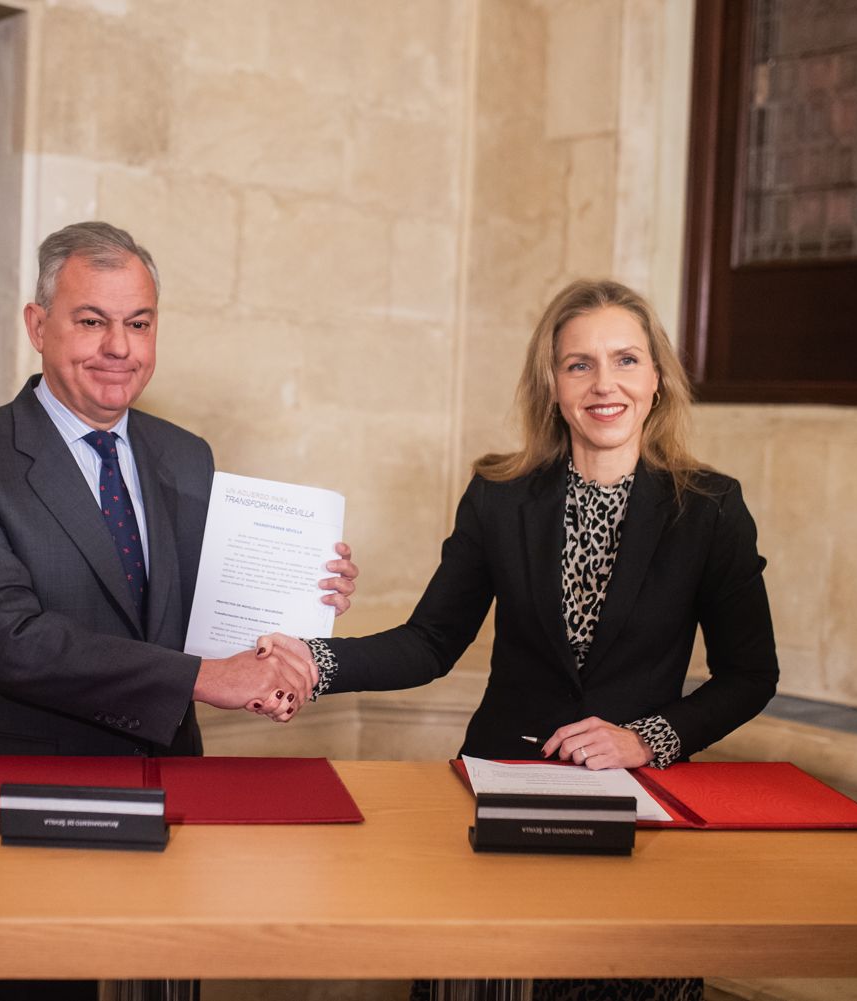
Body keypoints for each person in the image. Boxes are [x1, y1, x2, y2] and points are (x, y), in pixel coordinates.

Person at [262, 278, 778, 1001]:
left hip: (636, 810)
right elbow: (430, 641)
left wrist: (646, 737)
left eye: (626, 360)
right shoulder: (498, 495)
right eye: (580, 364)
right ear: (553, 383)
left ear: (657, 378)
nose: (606, 384)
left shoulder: (711, 508)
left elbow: (750, 674)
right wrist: (312, 660)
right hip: (502, 791)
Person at [0, 221, 357, 1001]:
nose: (119, 346)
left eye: (139, 323)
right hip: (31, 792)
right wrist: (207, 676)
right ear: (36, 326)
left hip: (170, 782)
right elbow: (9, 639)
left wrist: (296, 606)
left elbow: (196, 613)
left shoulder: (186, 453)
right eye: (92, 320)